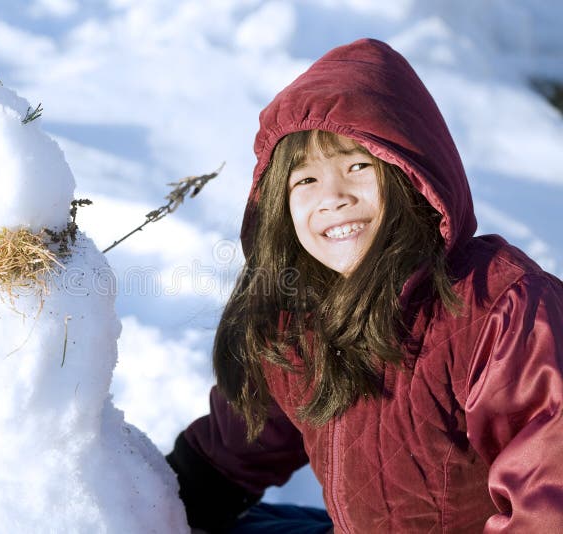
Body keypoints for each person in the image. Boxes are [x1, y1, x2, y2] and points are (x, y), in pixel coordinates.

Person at [166, 38, 563, 533]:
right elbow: (236, 447)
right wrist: (154, 502)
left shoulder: (498, 307)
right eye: (305, 181)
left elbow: (548, 499)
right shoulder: (297, 312)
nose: (332, 198)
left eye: (357, 166)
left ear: (413, 177)